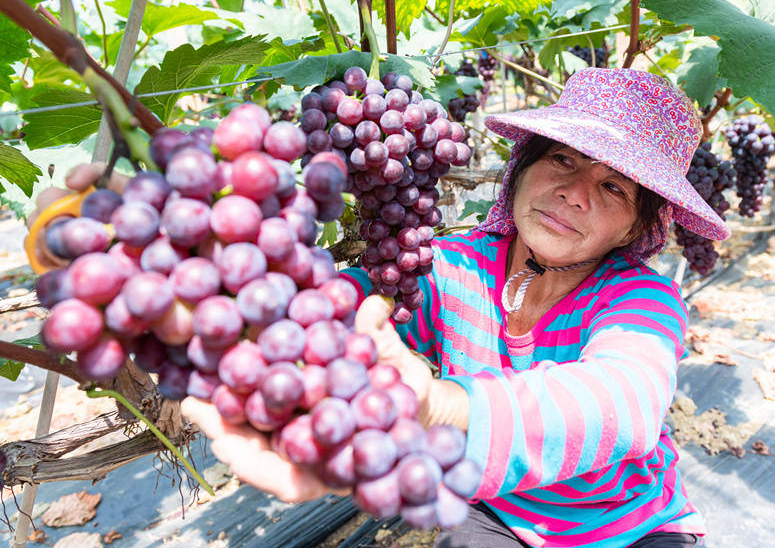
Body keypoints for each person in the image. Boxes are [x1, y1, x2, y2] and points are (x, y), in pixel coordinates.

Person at [37, 67, 729, 547]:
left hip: (635, 529)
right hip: (504, 517)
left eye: (614, 188)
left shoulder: (640, 298)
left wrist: (444, 408)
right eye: (565, 162)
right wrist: (168, 261)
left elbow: (624, 402)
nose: (578, 193)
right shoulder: (450, 267)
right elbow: (318, 311)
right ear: (523, 167)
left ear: (639, 229)